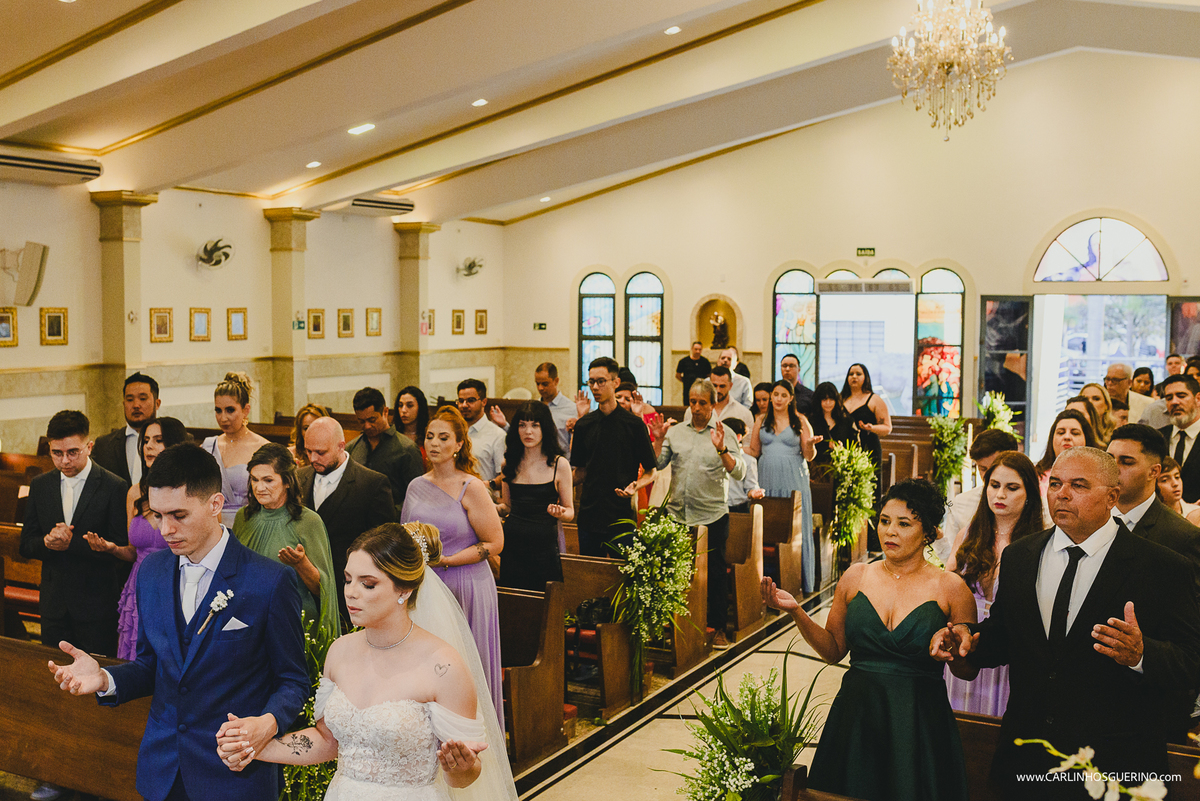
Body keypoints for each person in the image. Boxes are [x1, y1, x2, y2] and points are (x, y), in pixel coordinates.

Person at [932, 447, 1200, 799]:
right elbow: (1005, 635)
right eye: (1056, 483)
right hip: (1028, 758)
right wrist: (967, 639)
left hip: (1113, 764)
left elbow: (1191, 662)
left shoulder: (1162, 567)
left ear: (1112, 497)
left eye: (1079, 485)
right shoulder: (1021, 556)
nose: (1062, 493)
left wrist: (1141, 655)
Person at [47, 442, 309, 801]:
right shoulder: (151, 572)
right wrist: (106, 679)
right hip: (164, 770)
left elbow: (293, 680)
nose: (165, 529)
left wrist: (268, 723)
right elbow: (151, 665)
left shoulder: (269, 581)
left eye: (179, 515)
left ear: (215, 505)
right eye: (157, 515)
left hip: (235, 774)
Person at [215, 523, 518, 801]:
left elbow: (465, 776)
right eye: (348, 580)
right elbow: (327, 741)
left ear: (404, 589)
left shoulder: (444, 666)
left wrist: (461, 767)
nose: (351, 593)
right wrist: (254, 745)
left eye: (368, 584)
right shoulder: (339, 651)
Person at [764, 479, 975, 801]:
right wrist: (796, 611)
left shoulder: (951, 588)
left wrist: (954, 649)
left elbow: (968, 671)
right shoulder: (856, 576)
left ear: (929, 532)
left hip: (917, 719)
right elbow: (833, 650)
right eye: (885, 521)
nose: (890, 531)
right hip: (856, 716)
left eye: (904, 524)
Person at [401, 406, 505, 730]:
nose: (434, 443)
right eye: (430, 436)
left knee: (468, 665)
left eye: (443, 438)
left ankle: (476, 736)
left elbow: (495, 543)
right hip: (427, 587)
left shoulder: (471, 487)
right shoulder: (415, 486)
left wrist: (447, 560)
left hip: (467, 583)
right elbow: (405, 534)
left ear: (459, 444)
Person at [21, 410, 128, 658]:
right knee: (55, 672)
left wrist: (73, 544)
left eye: (72, 452)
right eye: (57, 453)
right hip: (54, 604)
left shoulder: (114, 486)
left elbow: (120, 550)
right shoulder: (41, 485)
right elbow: (25, 545)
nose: (65, 461)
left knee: (96, 674)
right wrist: (47, 542)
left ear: (89, 447)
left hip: (96, 605)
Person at [944, 452, 1044, 716]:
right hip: (967, 641)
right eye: (994, 485)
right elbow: (948, 585)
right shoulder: (969, 534)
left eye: (1012, 488)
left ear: (1029, 493)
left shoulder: (1040, 541)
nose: (1000, 495)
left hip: (1008, 646)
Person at [652, 378, 746, 648]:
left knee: (714, 575)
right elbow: (658, 463)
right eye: (692, 402)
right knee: (674, 572)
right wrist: (658, 440)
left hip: (711, 516)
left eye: (702, 403)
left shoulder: (725, 432)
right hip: (677, 514)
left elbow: (738, 472)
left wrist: (721, 449)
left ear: (713, 404)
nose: (696, 408)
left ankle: (718, 628)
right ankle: (675, 626)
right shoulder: (676, 432)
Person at [96, 417, 190, 661]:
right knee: (137, 658)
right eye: (146, 440)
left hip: (176, 580)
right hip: (140, 582)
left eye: (158, 440)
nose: (149, 446)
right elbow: (133, 551)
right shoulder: (135, 492)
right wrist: (112, 548)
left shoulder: (191, 490)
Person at [234, 443, 341, 644]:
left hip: (293, 622)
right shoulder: (244, 517)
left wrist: (301, 564)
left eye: (268, 480)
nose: (259, 488)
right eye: (254, 479)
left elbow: (323, 590)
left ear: (287, 482)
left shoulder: (309, 521)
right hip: (249, 620)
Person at [298, 417, 395, 624]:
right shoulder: (298, 478)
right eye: (308, 451)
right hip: (302, 592)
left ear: (341, 446)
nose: (313, 458)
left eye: (321, 452)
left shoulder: (372, 484)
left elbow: (383, 546)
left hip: (349, 593)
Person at [570, 357, 658, 558]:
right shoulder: (584, 425)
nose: (595, 387)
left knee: (622, 574)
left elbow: (651, 471)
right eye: (591, 382)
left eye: (601, 381)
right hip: (589, 516)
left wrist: (636, 485)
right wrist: (556, 486)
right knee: (590, 573)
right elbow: (580, 472)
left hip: (621, 517)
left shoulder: (634, 425)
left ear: (615, 382)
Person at [1108, 424, 1200, 599]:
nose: (1113, 468)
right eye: (1109, 459)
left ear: (1154, 471)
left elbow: (1191, 608)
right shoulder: (1090, 520)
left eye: (1126, 462)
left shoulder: (1184, 538)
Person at [745, 380, 820, 592]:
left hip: (793, 477)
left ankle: (798, 578)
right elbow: (754, 450)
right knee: (768, 525)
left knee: (795, 526)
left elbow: (809, 455)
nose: (778, 399)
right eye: (775, 394)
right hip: (767, 475)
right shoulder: (761, 419)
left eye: (783, 395)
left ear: (790, 399)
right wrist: (733, 448)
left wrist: (810, 445)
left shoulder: (800, 420)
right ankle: (766, 578)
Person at [497, 401, 573, 590]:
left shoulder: (559, 464)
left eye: (535, 425)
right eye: (522, 425)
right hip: (513, 544)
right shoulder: (509, 463)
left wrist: (560, 512)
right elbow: (507, 507)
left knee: (544, 600)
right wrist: (489, 507)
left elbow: (570, 512)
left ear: (545, 428)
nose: (528, 432)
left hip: (545, 546)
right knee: (513, 600)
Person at [938, 429, 1021, 565]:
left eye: (994, 467)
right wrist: (939, 540)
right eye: (982, 469)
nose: (988, 475)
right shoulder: (961, 504)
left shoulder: (1031, 502)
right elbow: (952, 560)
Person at [202, 372, 269, 527]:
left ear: (246, 410)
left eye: (230, 410)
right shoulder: (208, 446)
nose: (223, 418)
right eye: (218, 410)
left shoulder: (263, 447)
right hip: (214, 528)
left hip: (252, 526)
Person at [350, 387, 424, 516]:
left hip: (393, 520)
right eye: (361, 421)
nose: (367, 426)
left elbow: (416, 496)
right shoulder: (352, 448)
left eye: (372, 420)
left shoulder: (407, 449)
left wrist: (391, 514)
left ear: (385, 412)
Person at [92, 372, 161, 485]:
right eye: (130, 400)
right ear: (124, 403)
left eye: (143, 398)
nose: (136, 405)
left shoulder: (176, 441)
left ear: (157, 403)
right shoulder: (104, 446)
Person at [842, 363, 891, 511]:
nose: (854, 377)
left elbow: (887, 428)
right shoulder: (841, 398)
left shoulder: (874, 399)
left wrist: (871, 428)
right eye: (851, 374)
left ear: (866, 377)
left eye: (858, 374)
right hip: (845, 449)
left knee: (869, 490)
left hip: (868, 448)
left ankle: (870, 523)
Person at [1158, 374, 1200, 503]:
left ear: (1198, 399)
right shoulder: (1156, 438)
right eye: (1169, 398)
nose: (1174, 402)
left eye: (1181, 396)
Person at [456, 378, 506, 484]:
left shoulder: (498, 435)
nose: (464, 405)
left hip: (484, 492)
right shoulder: (454, 432)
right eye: (461, 401)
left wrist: (487, 485)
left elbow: (504, 476)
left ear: (484, 402)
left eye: (470, 400)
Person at [1034, 408, 1096, 490]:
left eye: (1075, 433)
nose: (1067, 437)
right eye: (1061, 433)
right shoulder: (1036, 475)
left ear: (1087, 439)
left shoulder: (1098, 476)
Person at [683, 366, 754, 429]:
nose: (718, 390)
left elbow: (748, 440)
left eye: (722, 386)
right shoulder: (692, 411)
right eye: (714, 385)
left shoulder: (744, 413)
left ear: (730, 386)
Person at [807, 381, 856, 468]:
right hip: (817, 468)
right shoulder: (811, 421)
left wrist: (841, 449)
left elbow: (855, 446)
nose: (828, 403)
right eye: (824, 400)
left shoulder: (846, 420)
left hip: (842, 468)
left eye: (831, 399)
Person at [723, 419, 764, 513]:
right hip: (717, 507)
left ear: (738, 437)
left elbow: (751, 487)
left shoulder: (748, 460)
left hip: (738, 507)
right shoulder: (714, 457)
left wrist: (754, 492)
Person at [534, 362, 575, 454]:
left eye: (545, 384)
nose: (540, 388)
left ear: (556, 381)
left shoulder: (572, 409)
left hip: (562, 460)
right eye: (537, 384)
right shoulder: (534, 408)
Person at [1157, 456, 1200, 524]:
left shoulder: (1196, 513)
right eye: (1165, 480)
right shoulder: (1151, 518)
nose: (1175, 483)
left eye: (1177, 477)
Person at [288, 402, 329, 467]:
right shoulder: (290, 455)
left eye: (316, 427)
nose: (311, 433)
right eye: (306, 428)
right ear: (300, 431)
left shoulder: (333, 454)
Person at [393, 385, 431, 450]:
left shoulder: (429, 435)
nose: (403, 410)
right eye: (400, 405)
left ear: (420, 407)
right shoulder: (393, 435)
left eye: (409, 405)